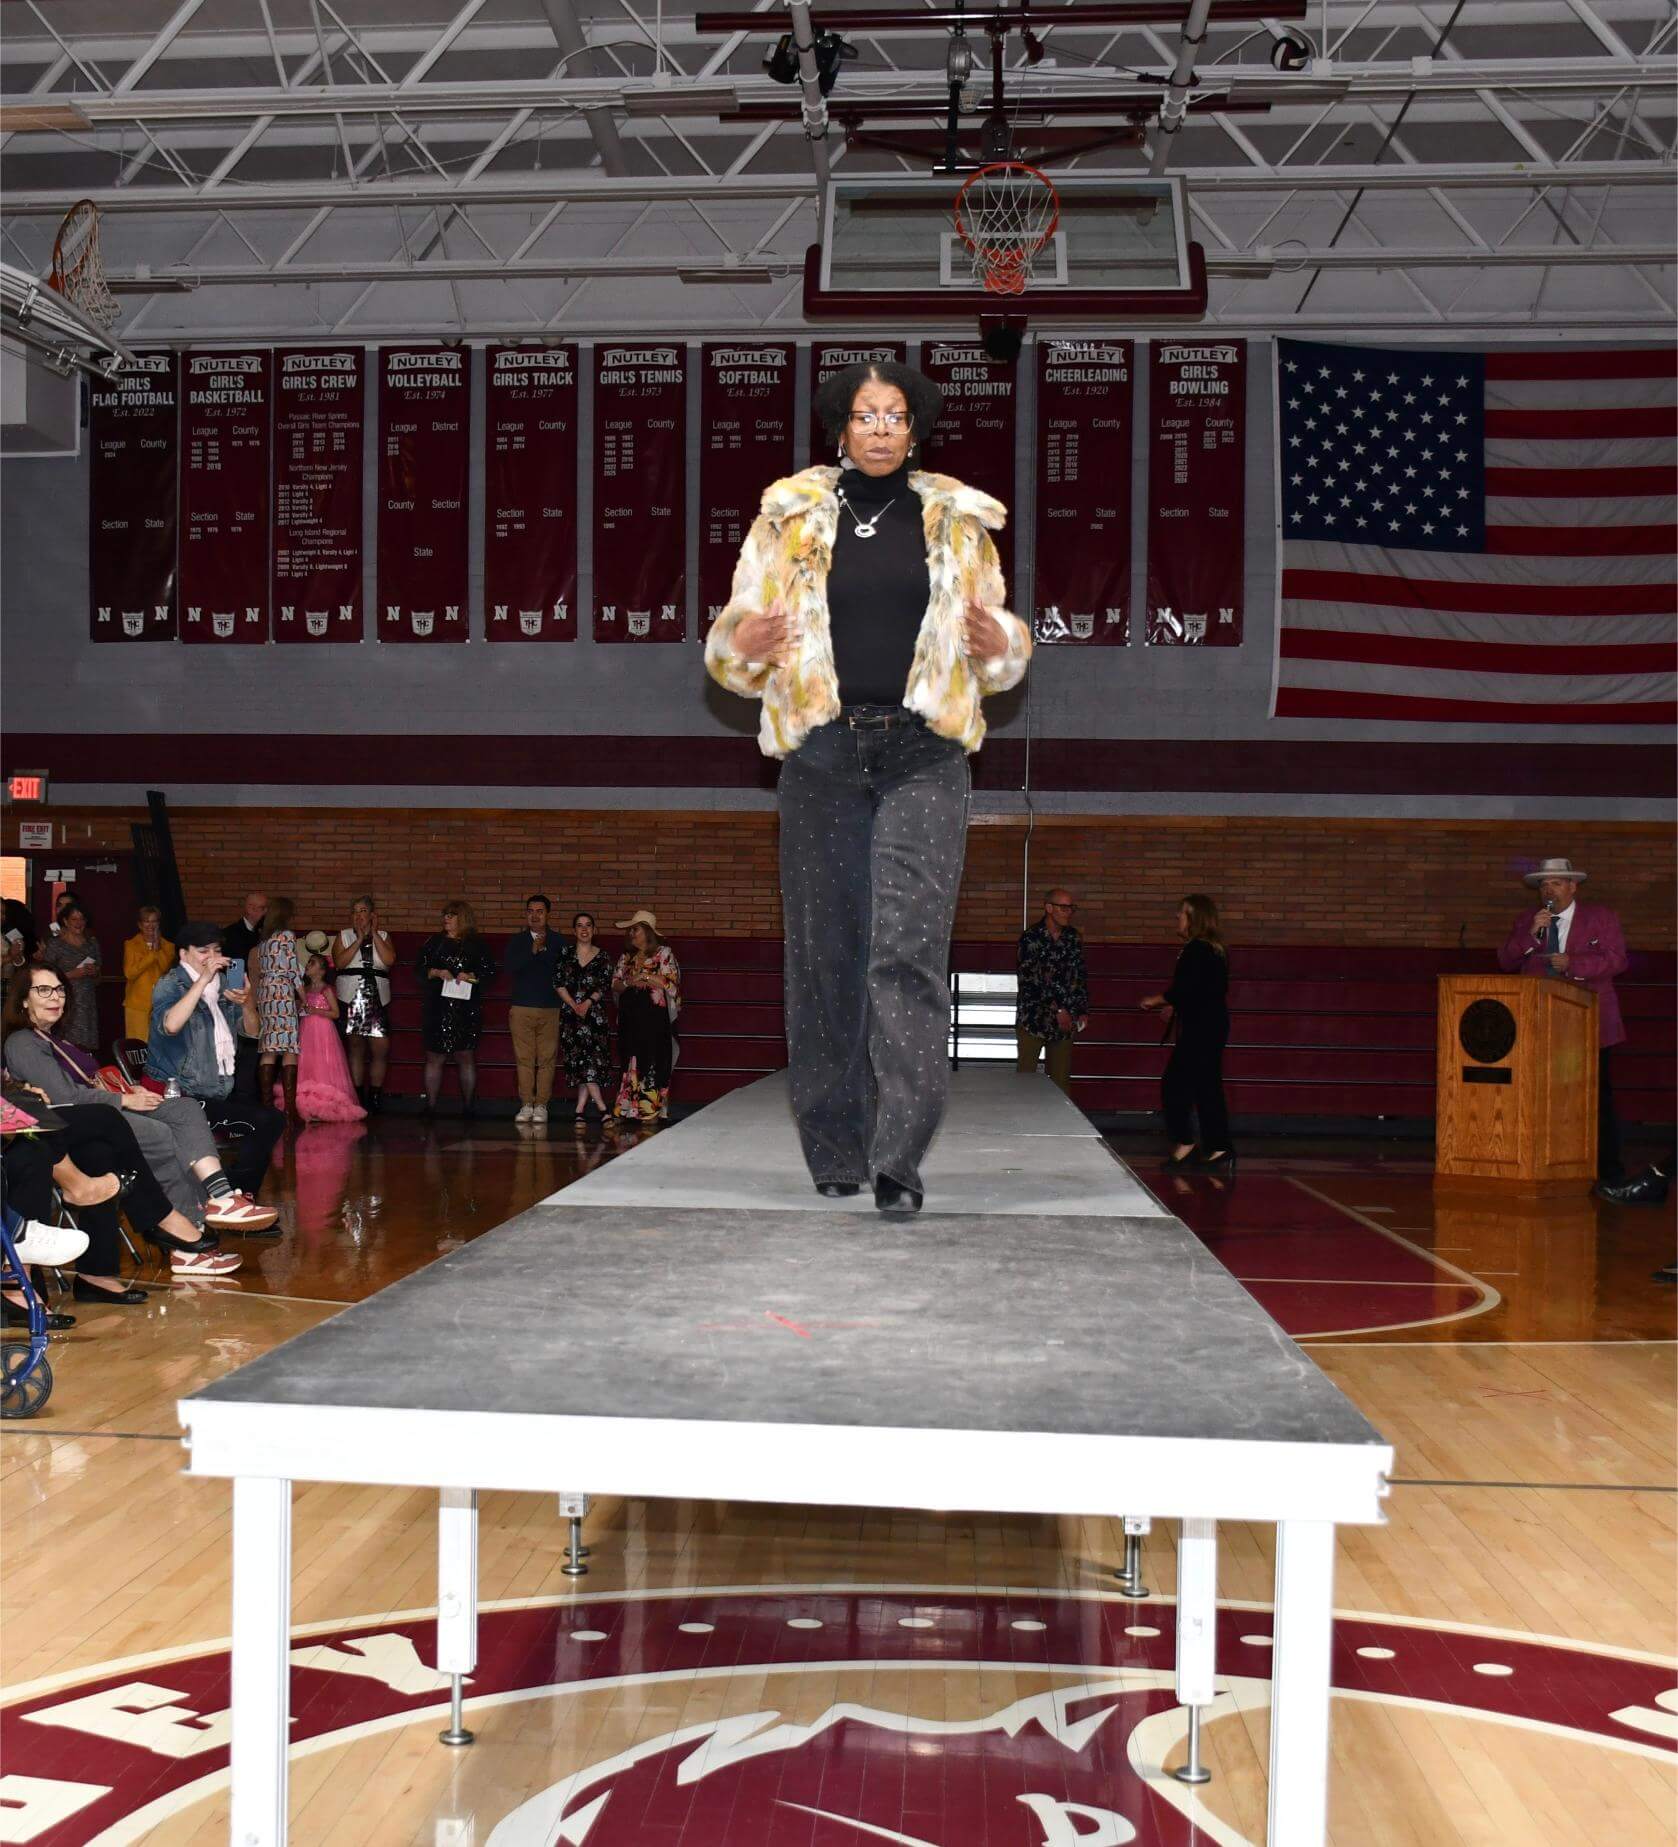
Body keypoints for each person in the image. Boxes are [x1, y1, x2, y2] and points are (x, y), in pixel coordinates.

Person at [705, 359, 1031, 1213]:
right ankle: (835, 1146)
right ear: (841, 428)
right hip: (822, 755)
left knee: (908, 948)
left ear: (914, 429)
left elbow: (997, 649)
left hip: (925, 753)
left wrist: (1003, 645)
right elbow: (733, 645)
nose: (880, 427)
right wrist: (742, 643)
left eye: (894, 415)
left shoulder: (958, 522)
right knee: (827, 955)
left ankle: (899, 1157)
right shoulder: (788, 519)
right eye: (865, 414)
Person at [3, 972, 254, 1262]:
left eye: (59, 990)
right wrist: (124, 1099)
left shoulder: (58, 1040)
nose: (55, 997)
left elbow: (90, 1082)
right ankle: (186, 1237)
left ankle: (220, 1195)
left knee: (183, 1110)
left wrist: (126, 1089)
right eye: (44, 990)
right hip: (76, 1122)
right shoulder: (23, 1041)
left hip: (106, 1106)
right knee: (159, 1134)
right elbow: (63, 1097)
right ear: (24, 1000)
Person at [1497, 856, 1628, 1185]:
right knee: (1542, 1095)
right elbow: (1505, 960)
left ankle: (1607, 1172)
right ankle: (1545, 1164)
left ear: (1573, 886)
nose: (1548, 890)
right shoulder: (1528, 920)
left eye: (1555, 883)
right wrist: (1530, 935)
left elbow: (1617, 960)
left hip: (1589, 1023)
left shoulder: (1601, 918)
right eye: (1543, 884)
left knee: (1594, 1097)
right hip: (1541, 1023)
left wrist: (1573, 963)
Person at [147, 921, 287, 1213]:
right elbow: (171, 1025)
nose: (211, 957)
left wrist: (247, 1002)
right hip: (179, 1096)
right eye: (203, 951)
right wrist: (202, 981)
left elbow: (253, 1032)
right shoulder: (170, 984)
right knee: (265, 1122)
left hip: (217, 1089)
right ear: (183, 954)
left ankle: (233, 1196)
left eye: (216, 950)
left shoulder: (222, 985)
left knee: (272, 1120)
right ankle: (234, 1198)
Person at [1141, 894, 1233, 1173]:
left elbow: (1186, 988)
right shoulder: (1211, 949)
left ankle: (1187, 1141)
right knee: (1205, 1086)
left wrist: (1157, 1000)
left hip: (1202, 1028)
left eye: (1182, 913)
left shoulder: (1198, 949)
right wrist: (1176, 1005)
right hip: (1209, 1025)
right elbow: (1203, 989)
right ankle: (1217, 1146)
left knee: (1175, 1085)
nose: (1177, 917)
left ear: (1194, 918)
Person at [416, 901, 496, 1117]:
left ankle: (469, 1106)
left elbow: (489, 973)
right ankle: (430, 1106)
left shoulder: (476, 944)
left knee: (465, 1056)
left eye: (452, 915)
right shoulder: (434, 942)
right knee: (434, 1057)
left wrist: (470, 976)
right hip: (437, 1006)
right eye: (445, 915)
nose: (447, 918)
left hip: (465, 1008)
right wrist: (436, 972)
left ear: (463, 918)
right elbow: (419, 969)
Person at [1016, 888, 1089, 1097]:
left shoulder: (1073, 938)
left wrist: (1082, 1010)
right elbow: (1030, 981)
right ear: (1049, 908)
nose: (1068, 912)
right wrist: (1057, 1010)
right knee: (1025, 1077)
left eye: (1071, 908)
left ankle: (1060, 1118)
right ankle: (1022, 1115)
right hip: (1033, 1018)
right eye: (1063, 907)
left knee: (1060, 1081)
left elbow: (1079, 975)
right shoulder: (1031, 937)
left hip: (1064, 1022)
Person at [612, 911, 680, 1125]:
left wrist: (646, 976)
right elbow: (615, 984)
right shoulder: (626, 956)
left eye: (636, 929)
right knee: (629, 1059)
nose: (632, 933)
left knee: (653, 1059)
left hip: (654, 1019)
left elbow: (671, 984)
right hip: (630, 1017)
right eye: (631, 930)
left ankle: (650, 1110)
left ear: (648, 932)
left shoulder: (663, 953)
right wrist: (630, 982)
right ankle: (628, 1108)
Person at [331, 895, 395, 1111]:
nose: (358, 916)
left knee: (380, 1048)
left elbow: (389, 960)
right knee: (356, 1047)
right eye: (355, 911)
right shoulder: (344, 935)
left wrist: (373, 933)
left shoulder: (383, 935)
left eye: (363, 911)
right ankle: (356, 1094)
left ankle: (375, 1095)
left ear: (372, 915)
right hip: (351, 994)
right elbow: (340, 963)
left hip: (377, 995)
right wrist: (358, 940)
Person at [505, 894, 563, 1124]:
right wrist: (532, 950)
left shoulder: (558, 941)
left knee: (547, 1059)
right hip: (522, 1007)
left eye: (540, 911)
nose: (535, 916)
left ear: (548, 914)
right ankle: (526, 1104)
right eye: (530, 911)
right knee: (524, 1059)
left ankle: (541, 1105)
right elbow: (510, 967)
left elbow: (562, 970)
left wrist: (543, 950)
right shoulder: (517, 941)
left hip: (550, 1007)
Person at [292, 954, 366, 1124]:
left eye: (312, 963)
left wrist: (316, 1011)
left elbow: (336, 1013)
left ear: (322, 970)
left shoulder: (326, 989)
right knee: (308, 1063)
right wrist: (299, 1005)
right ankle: (308, 1106)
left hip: (323, 1031)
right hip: (306, 1030)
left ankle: (325, 1105)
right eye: (308, 962)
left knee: (323, 1064)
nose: (308, 965)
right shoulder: (305, 989)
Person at [556, 911, 612, 1124]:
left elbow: (604, 984)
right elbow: (558, 982)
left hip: (594, 1016)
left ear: (594, 930)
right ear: (574, 930)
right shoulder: (565, 953)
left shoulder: (603, 956)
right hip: (571, 1016)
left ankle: (582, 1109)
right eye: (580, 925)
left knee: (590, 1063)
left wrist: (587, 1003)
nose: (584, 929)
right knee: (581, 1064)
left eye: (588, 925)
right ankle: (601, 1108)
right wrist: (573, 1005)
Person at [254, 897, 304, 1127]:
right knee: (289, 1049)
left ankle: (266, 1109)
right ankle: (290, 1112)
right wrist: (303, 997)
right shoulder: (287, 936)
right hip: (282, 990)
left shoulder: (264, 940)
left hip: (265, 992)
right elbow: (293, 970)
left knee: (268, 1049)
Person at [35, 902, 101, 1053]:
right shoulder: (56, 944)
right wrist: (72, 974)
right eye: (74, 919)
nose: (79, 923)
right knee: (65, 1047)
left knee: (86, 1049)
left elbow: (99, 979)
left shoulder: (92, 944)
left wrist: (95, 972)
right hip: (64, 1002)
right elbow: (46, 976)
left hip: (87, 1003)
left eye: (82, 919)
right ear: (65, 921)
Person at [122, 906, 176, 1044]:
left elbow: (165, 969)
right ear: (140, 925)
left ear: (159, 924)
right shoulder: (131, 944)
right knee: (137, 1046)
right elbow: (129, 973)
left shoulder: (168, 946)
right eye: (146, 921)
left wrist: (158, 949)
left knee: (160, 1045)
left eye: (154, 921)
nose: (150, 925)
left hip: (161, 1004)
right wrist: (152, 953)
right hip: (137, 1005)